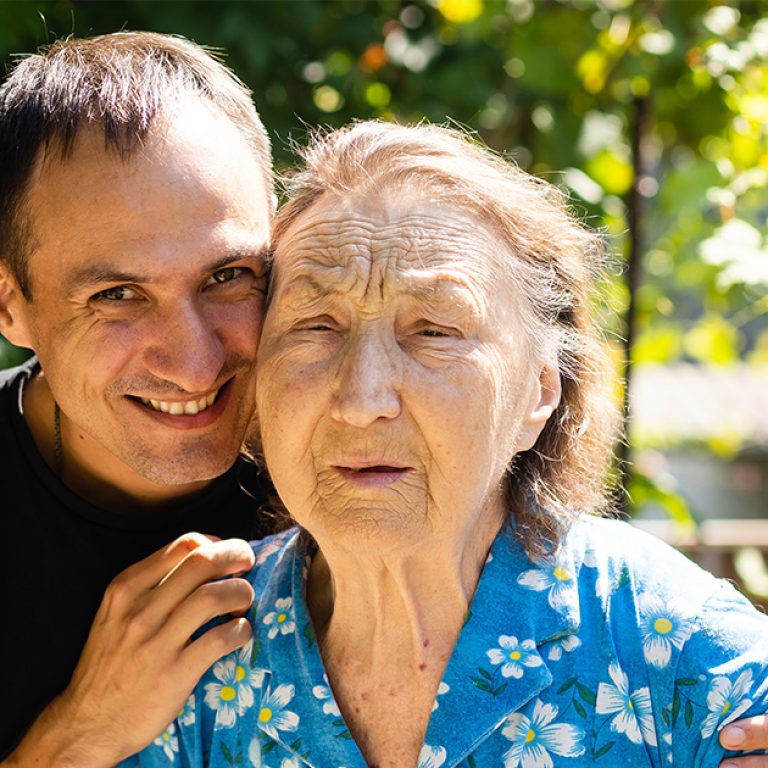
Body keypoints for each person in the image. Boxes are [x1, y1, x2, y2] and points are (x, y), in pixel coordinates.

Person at [126, 121, 768, 768]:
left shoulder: (669, 640)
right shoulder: (192, 654)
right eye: (316, 326)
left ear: (538, 393)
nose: (361, 398)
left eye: (433, 331)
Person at [0, 32, 280, 765]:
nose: (194, 364)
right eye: (117, 295)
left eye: (228, 276)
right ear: (10, 306)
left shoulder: (355, 458)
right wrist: (82, 731)